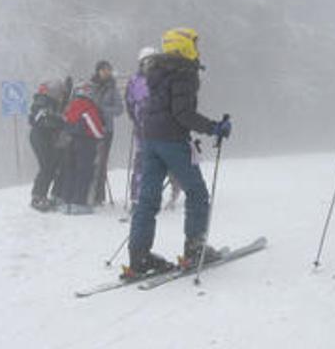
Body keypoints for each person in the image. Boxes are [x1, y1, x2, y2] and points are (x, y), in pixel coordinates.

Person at [123, 28, 232, 278]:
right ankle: (195, 249)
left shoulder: (156, 72)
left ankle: (139, 257)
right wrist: (214, 127)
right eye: (194, 44)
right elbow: (182, 113)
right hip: (172, 141)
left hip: (149, 141)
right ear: (184, 47)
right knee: (197, 192)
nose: (197, 49)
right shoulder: (183, 72)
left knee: (147, 200)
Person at [124, 47, 182, 212]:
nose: (151, 65)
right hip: (143, 129)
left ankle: (173, 192)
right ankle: (137, 199)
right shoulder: (135, 80)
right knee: (142, 164)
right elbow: (129, 101)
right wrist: (136, 119)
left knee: (168, 161)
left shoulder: (164, 79)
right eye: (147, 62)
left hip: (163, 129)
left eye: (154, 61)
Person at [57, 81, 105, 215]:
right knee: (84, 172)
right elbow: (96, 128)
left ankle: (66, 201)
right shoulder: (88, 107)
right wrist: (101, 136)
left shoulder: (72, 106)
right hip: (86, 143)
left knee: (70, 171)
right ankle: (79, 202)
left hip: (71, 141)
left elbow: (66, 120)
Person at [28, 78, 72, 212]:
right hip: (40, 137)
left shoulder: (51, 102)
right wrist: (61, 120)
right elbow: (41, 118)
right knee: (46, 166)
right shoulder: (43, 101)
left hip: (45, 137)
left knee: (51, 166)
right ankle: (38, 197)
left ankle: (41, 196)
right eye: (61, 93)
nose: (61, 96)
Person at [88, 60, 124, 206]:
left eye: (108, 69)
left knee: (101, 162)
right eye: (103, 70)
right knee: (91, 161)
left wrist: (104, 110)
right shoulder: (91, 86)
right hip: (90, 128)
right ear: (97, 71)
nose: (106, 72)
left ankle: (98, 196)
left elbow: (119, 109)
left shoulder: (113, 88)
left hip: (106, 129)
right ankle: (89, 192)